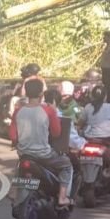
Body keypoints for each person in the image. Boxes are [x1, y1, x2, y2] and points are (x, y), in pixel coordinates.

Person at [10, 78, 72, 207]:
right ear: (41, 95)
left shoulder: (17, 112)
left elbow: (13, 136)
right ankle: (62, 197)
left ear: (26, 93)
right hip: (44, 155)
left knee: (19, 165)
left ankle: (14, 191)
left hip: (24, 154)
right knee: (66, 165)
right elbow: (56, 133)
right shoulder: (48, 111)